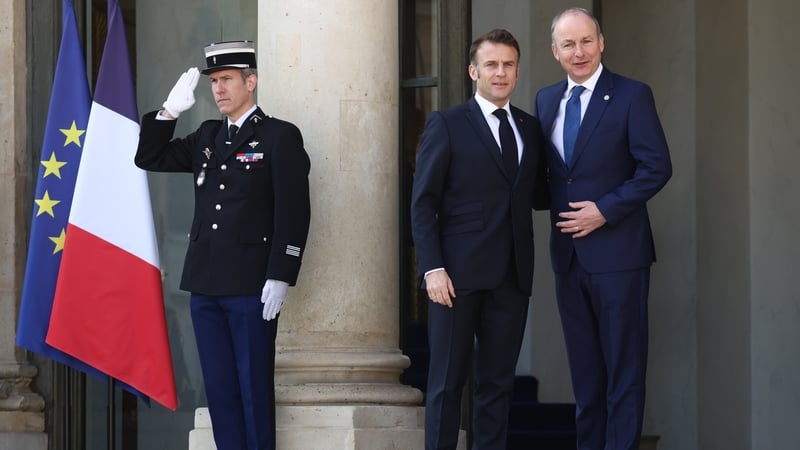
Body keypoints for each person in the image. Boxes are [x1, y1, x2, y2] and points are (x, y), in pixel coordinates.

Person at [135, 40, 310, 450]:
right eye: (214, 81)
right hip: (205, 283)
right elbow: (150, 156)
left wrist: (281, 274)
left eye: (227, 79)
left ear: (251, 82)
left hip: (251, 285)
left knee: (253, 388)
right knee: (219, 391)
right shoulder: (207, 135)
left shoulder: (279, 136)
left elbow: (294, 211)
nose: (218, 89)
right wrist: (168, 112)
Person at [533, 8, 672, 450]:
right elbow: (549, 177)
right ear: (555, 52)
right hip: (568, 257)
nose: (579, 52)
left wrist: (605, 211)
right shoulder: (545, 100)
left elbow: (656, 167)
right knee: (587, 378)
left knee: (623, 373)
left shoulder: (632, 95)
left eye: (586, 41)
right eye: (568, 44)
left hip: (619, 256)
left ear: (602, 42)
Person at [411, 29, 548, 450]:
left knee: (497, 387)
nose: (500, 72)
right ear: (474, 71)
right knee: (446, 385)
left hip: (512, 276)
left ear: (518, 70)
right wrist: (432, 268)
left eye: (508, 64)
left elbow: (541, 193)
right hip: (455, 278)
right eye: (491, 64)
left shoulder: (529, 126)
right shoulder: (448, 123)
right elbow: (423, 202)